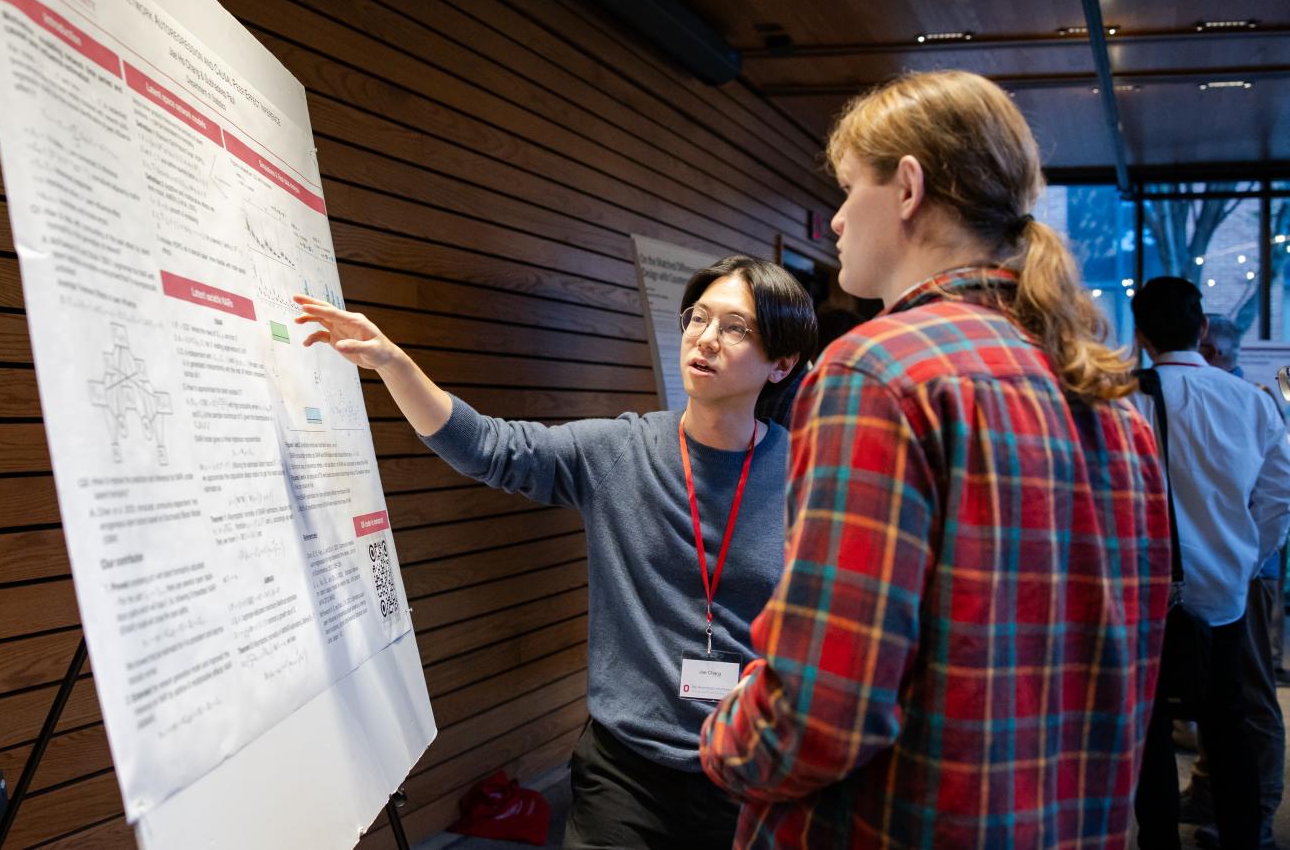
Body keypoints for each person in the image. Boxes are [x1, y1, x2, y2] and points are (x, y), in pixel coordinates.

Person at [698, 69, 1171, 847]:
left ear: (908, 188)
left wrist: (720, 741)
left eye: (850, 189)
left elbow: (821, 706)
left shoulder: (878, 372)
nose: (837, 221)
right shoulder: (1110, 398)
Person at [294, 254, 817, 850]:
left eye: (736, 327)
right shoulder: (621, 451)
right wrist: (394, 364)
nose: (706, 339)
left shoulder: (809, 475)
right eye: (698, 319)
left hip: (750, 768)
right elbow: (490, 448)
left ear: (781, 363)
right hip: (627, 771)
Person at [1129, 282, 1290, 850]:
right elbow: (1280, 495)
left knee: (1147, 730)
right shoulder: (1251, 400)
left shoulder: (1125, 402)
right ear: (1201, 330)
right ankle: (1245, 834)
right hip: (1225, 595)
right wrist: (1250, 559)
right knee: (1230, 725)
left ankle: (1159, 839)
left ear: (1141, 334)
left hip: (1143, 599)